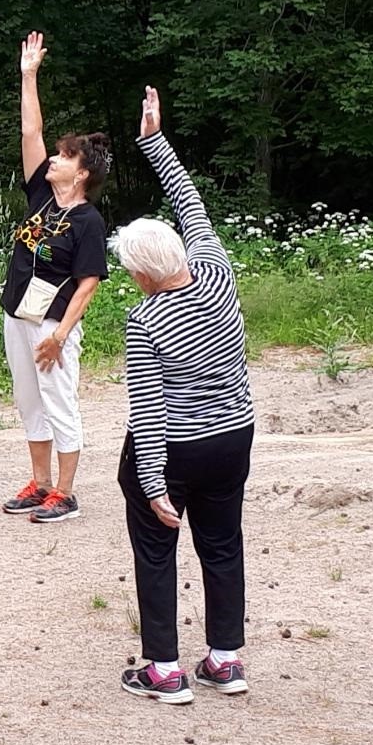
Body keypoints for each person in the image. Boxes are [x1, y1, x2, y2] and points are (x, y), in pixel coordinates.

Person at [113, 85, 255, 705]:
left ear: (142, 274)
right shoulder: (215, 267)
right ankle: (226, 660)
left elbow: (149, 411)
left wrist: (151, 483)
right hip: (234, 438)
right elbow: (189, 202)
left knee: (156, 548)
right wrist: (153, 139)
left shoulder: (145, 319)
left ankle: (164, 671)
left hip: (176, 449)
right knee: (222, 544)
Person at [0, 31, 110, 524]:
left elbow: (89, 283)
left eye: (65, 158)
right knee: (29, 402)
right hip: (18, 315)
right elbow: (29, 135)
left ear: (81, 174)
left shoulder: (88, 221)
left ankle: (65, 493)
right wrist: (28, 76)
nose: (55, 161)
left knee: (60, 402)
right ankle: (39, 483)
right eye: (57, 154)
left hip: (52, 327)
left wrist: (61, 336)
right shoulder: (41, 199)